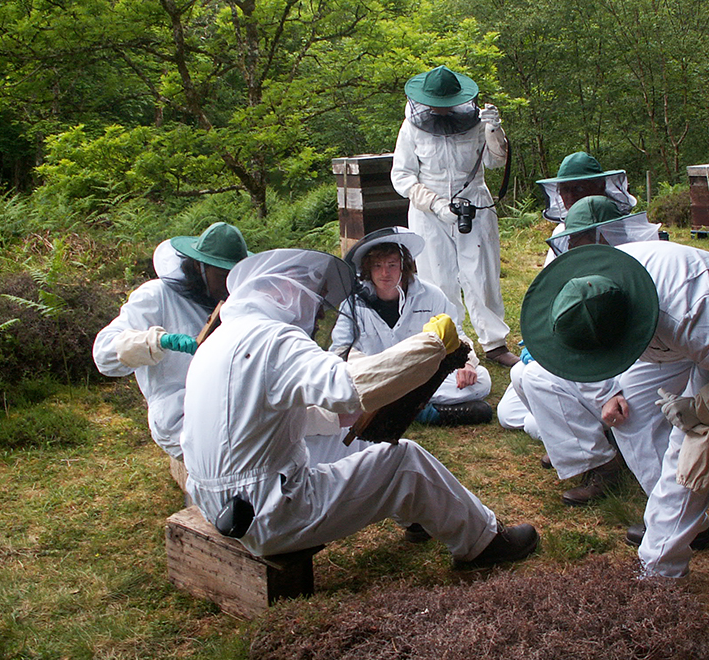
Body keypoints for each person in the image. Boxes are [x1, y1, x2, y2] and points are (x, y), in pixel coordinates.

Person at [180, 248, 540, 568]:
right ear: (288, 293)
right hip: (270, 511)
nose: (319, 313)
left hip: (220, 504)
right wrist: (430, 345)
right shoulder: (273, 339)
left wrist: (346, 418)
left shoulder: (223, 338)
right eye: (317, 300)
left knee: (367, 440)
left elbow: (271, 414)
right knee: (403, 460)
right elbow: (349, 386)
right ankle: (482, 542)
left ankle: (416, 510)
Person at [519, 196, 709, 578]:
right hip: (658, 335)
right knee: (629, 416)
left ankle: (661, 568)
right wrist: (611, 391)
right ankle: (685, 522)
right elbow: (599, 341)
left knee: (691, 446)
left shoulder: (690, 317)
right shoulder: (595, 286)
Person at [495, 174, 660, 505]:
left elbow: (617, 356)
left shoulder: (637, 272)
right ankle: (576, 446)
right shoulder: (600, 264)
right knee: (523, 375)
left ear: (602, 234)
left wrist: (596, 384)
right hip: (616, 370)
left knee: (542, 377)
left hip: (644, 378)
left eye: (579, 237)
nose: (570, 246)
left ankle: (604, 464)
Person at [93, 222, 250, 483]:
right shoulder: (156, 295)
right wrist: (158, 342)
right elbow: (104, 355)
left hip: (230, 405)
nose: (229, 282)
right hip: (178, 415)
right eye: (222, 273)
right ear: (200, 267)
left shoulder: (232, 302)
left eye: (235, 273)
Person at [390, 65, 518, 367]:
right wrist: (434, 203)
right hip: (429, 212)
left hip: (474, 203)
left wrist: (494, 131)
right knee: (437, 275)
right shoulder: (411, 128)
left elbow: (496, 162)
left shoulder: (475, 123)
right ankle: (452, 341)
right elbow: (402, 176)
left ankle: (495, 343)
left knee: (481, 273)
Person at [330, 227, 493, 426]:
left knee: (481, 380)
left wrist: (467, 364)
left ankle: (389, 407)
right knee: (345, 386)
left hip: (421, 375)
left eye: (392, 265)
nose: (385, 273)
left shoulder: (431, 295)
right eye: (377, 265)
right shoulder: (353, 302)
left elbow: (456, 335)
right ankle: (424, 412)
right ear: (367, 269)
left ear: (403, 266)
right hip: (375, 375)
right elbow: (339, 348)